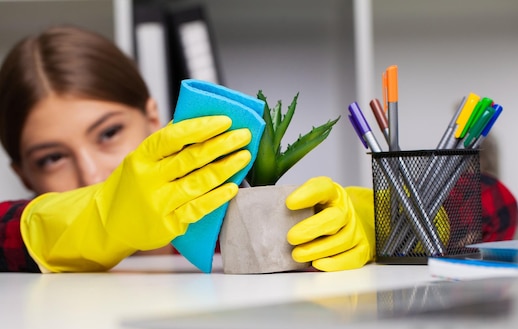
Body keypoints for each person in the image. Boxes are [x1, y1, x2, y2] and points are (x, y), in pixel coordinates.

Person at [0, 25, 375, 273]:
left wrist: (373, 221)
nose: (92, 174)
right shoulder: (21, 252)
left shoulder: (235, 227)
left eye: (109, 133)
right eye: (52, 158)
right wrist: (95, 219)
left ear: (153, 119)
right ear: (23, 174)